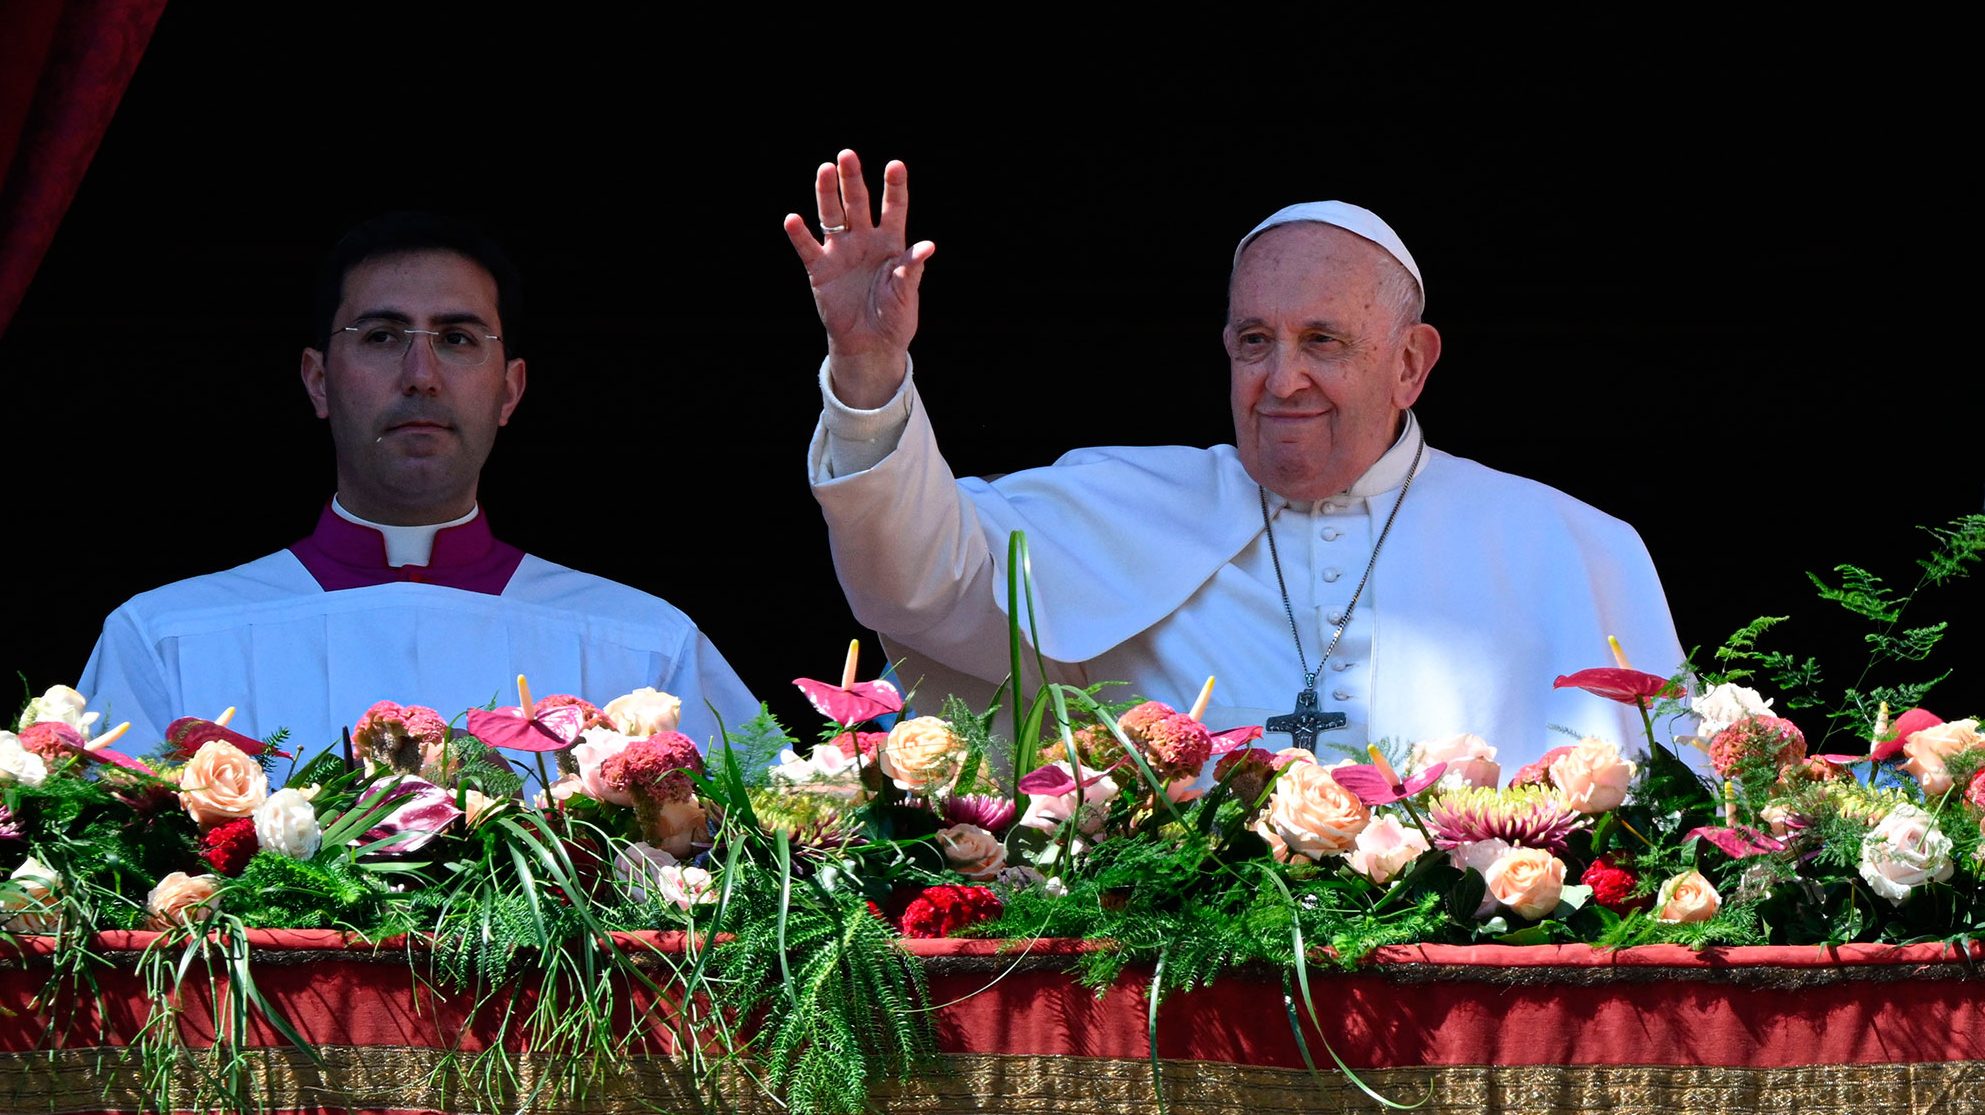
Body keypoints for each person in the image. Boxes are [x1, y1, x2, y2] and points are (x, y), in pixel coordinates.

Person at [789, 151, 1686, 770]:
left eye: (1322, 340)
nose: (1281, 377)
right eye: (1254, 339)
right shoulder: (1126, 504)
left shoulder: (1566, 545)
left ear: (1409, 363)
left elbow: (1672, 823)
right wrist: (869, 372)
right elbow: (917, 581)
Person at [79, 212, 756, 759]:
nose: (421, 374)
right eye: (380, 335)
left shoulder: (643, 645)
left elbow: (789, 864)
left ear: (509, 389)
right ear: (318, 379)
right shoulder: (167, 638)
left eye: (458, 337)